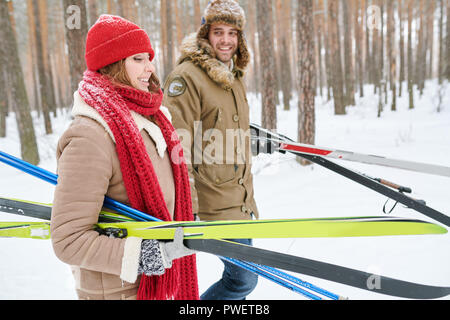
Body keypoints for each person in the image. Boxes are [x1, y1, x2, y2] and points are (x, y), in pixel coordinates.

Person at [50, 15, 199, 300]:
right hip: (119, 292)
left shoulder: (152, 119)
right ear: (114, 64)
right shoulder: (90, 136)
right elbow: (68, 240)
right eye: (139, 59)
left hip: (161, 285)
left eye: (149, 58)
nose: (150, 68)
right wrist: (148, 253)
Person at [163, 0, 259, 300]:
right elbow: (178, 145)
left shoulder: (234, 76)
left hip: (239, 199)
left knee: (243, 278)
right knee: (243, 280)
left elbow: (224, 129)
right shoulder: (187, 76)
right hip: (211, 204)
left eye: (233, 33)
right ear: (206, 34)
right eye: (219, 32)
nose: (226, 40)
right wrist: (186, 209)